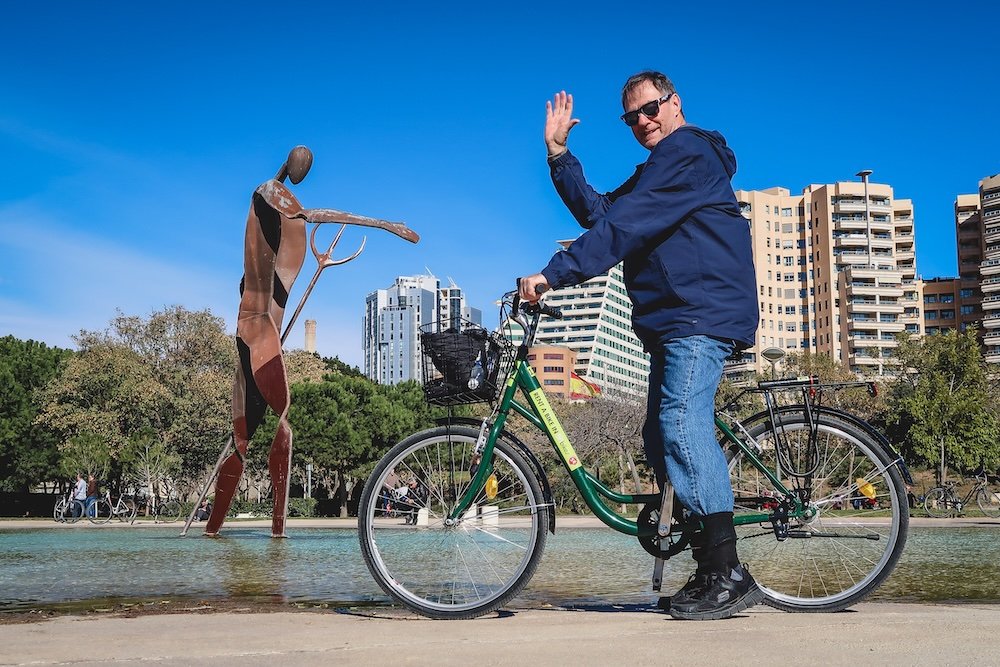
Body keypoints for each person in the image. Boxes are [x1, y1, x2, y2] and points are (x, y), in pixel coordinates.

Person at [518, 72, 760, 620]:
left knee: (679, 423)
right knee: (660, 435)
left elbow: (621, 229)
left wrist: (554, 274)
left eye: (651, 109)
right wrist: (559, 154)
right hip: (674, 320)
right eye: (632, 117)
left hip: (701, 313)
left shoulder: (688, 152)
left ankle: (727, 572)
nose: (643, 122)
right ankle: (707, 563)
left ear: (675, 102)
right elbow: (603, 214)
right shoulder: (659, 170)